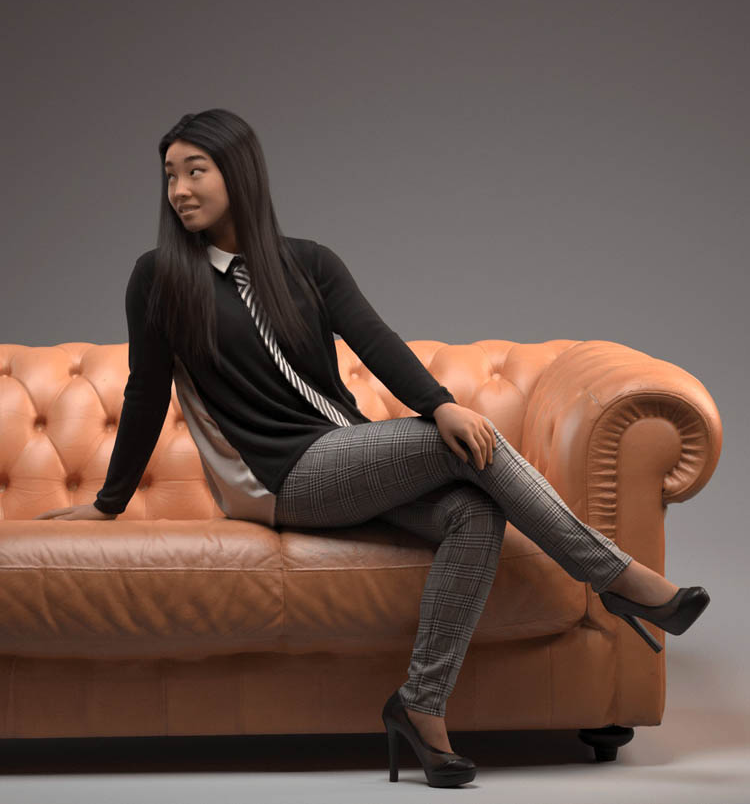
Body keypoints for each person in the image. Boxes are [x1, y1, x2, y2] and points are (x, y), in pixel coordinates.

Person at [35, 108, 710, 788]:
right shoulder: (159, 277)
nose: (179, 190)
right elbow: (146, 392)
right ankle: (617, 578)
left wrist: (439, 402)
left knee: (474, 512)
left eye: (195, 171)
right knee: (461, 446)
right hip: (275, 477)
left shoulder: (309, 263)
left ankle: (421, 705)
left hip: (342, 454)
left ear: (238, 174)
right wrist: (109, 503)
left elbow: (377, 342)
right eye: (169, 176)